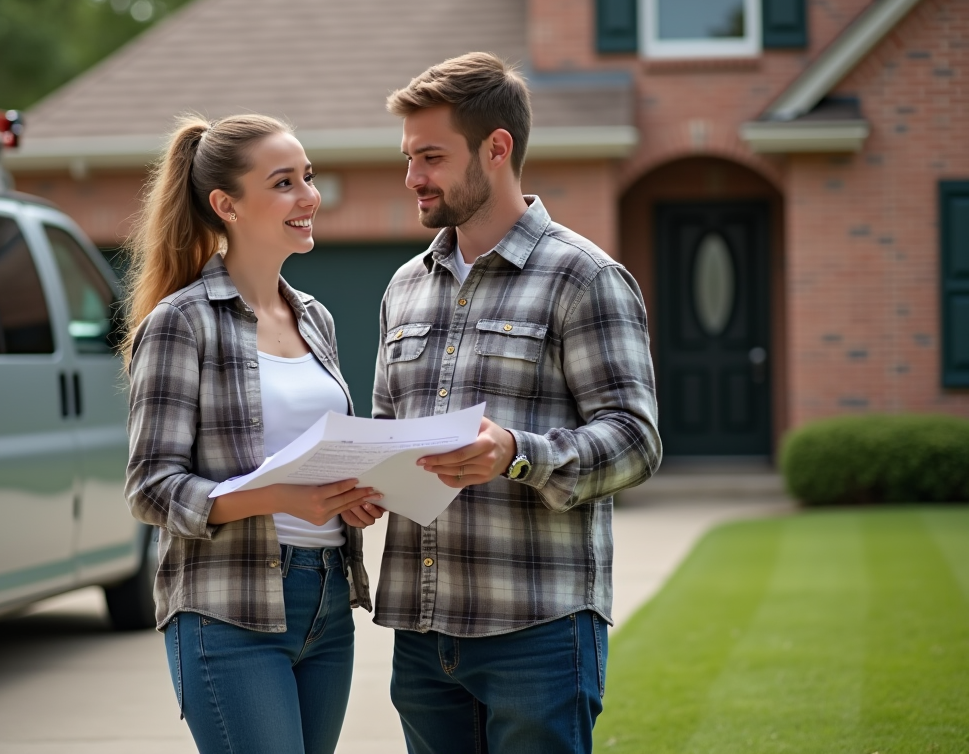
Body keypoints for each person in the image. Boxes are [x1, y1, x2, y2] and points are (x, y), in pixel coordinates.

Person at [372, 53, 662, 754]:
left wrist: (518, 454)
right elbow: (386, 431)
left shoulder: (584, 277)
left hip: (538, 631)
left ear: (496, 149)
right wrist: (364, 482)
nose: (413, 176)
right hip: (421, 630)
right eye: (410, 157)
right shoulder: (404, 287)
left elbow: (635, 439)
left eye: (432, 156)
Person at [123, 113, 382, 754]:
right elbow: (151, 488)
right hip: (229, 609)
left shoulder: (314, 318)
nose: (309, 196)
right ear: (225, 205)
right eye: (285, 182)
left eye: (309, 178)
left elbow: (317, 453)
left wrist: (352, 495)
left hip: (327, 598)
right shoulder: (181, 323)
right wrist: (279, 497)